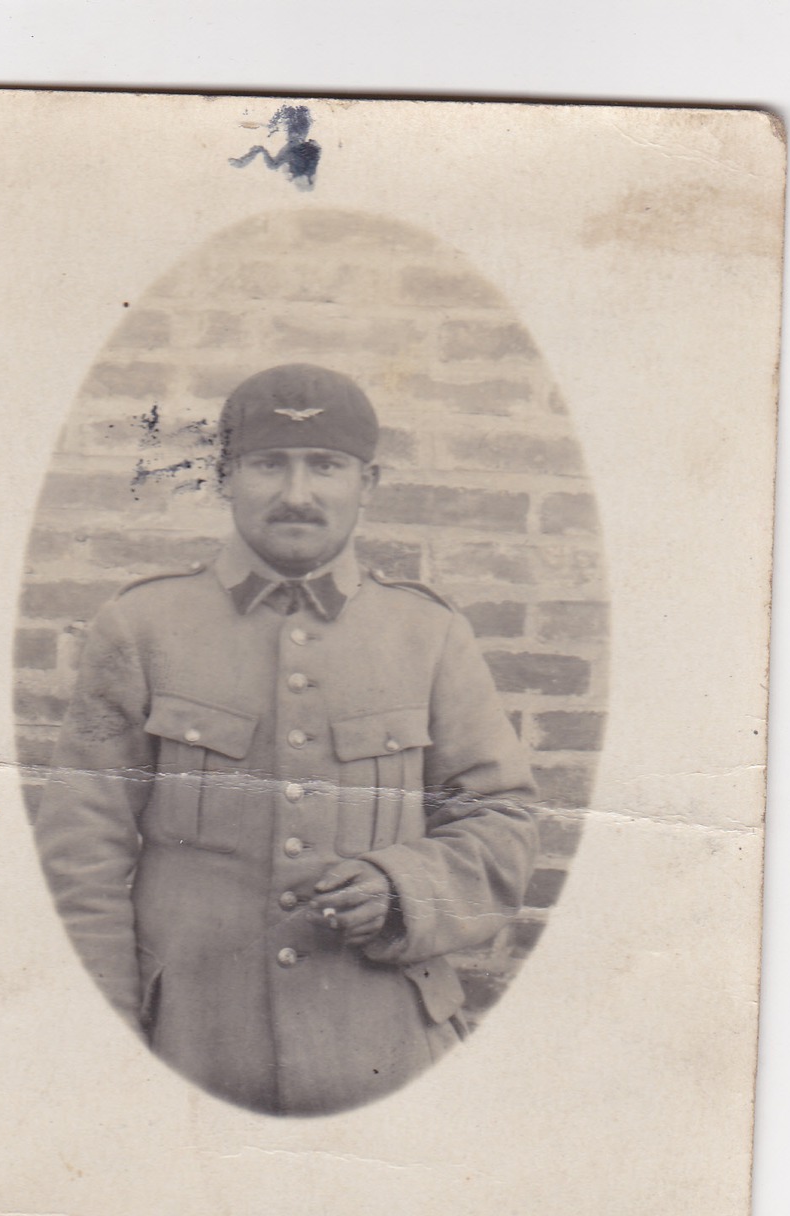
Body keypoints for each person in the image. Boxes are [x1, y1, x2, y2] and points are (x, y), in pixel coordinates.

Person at [36, 363, 538, 1116]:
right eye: (269, 464)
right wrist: (106, 1042)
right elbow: (82, 853)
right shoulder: (141, 628)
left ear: (367, 483)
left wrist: (403, 889)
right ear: (225, 478)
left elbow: (503, 825)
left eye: (325, 467)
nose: (297, 494)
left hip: (383, 1056)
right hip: (191, 1051)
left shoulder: (428, 635)